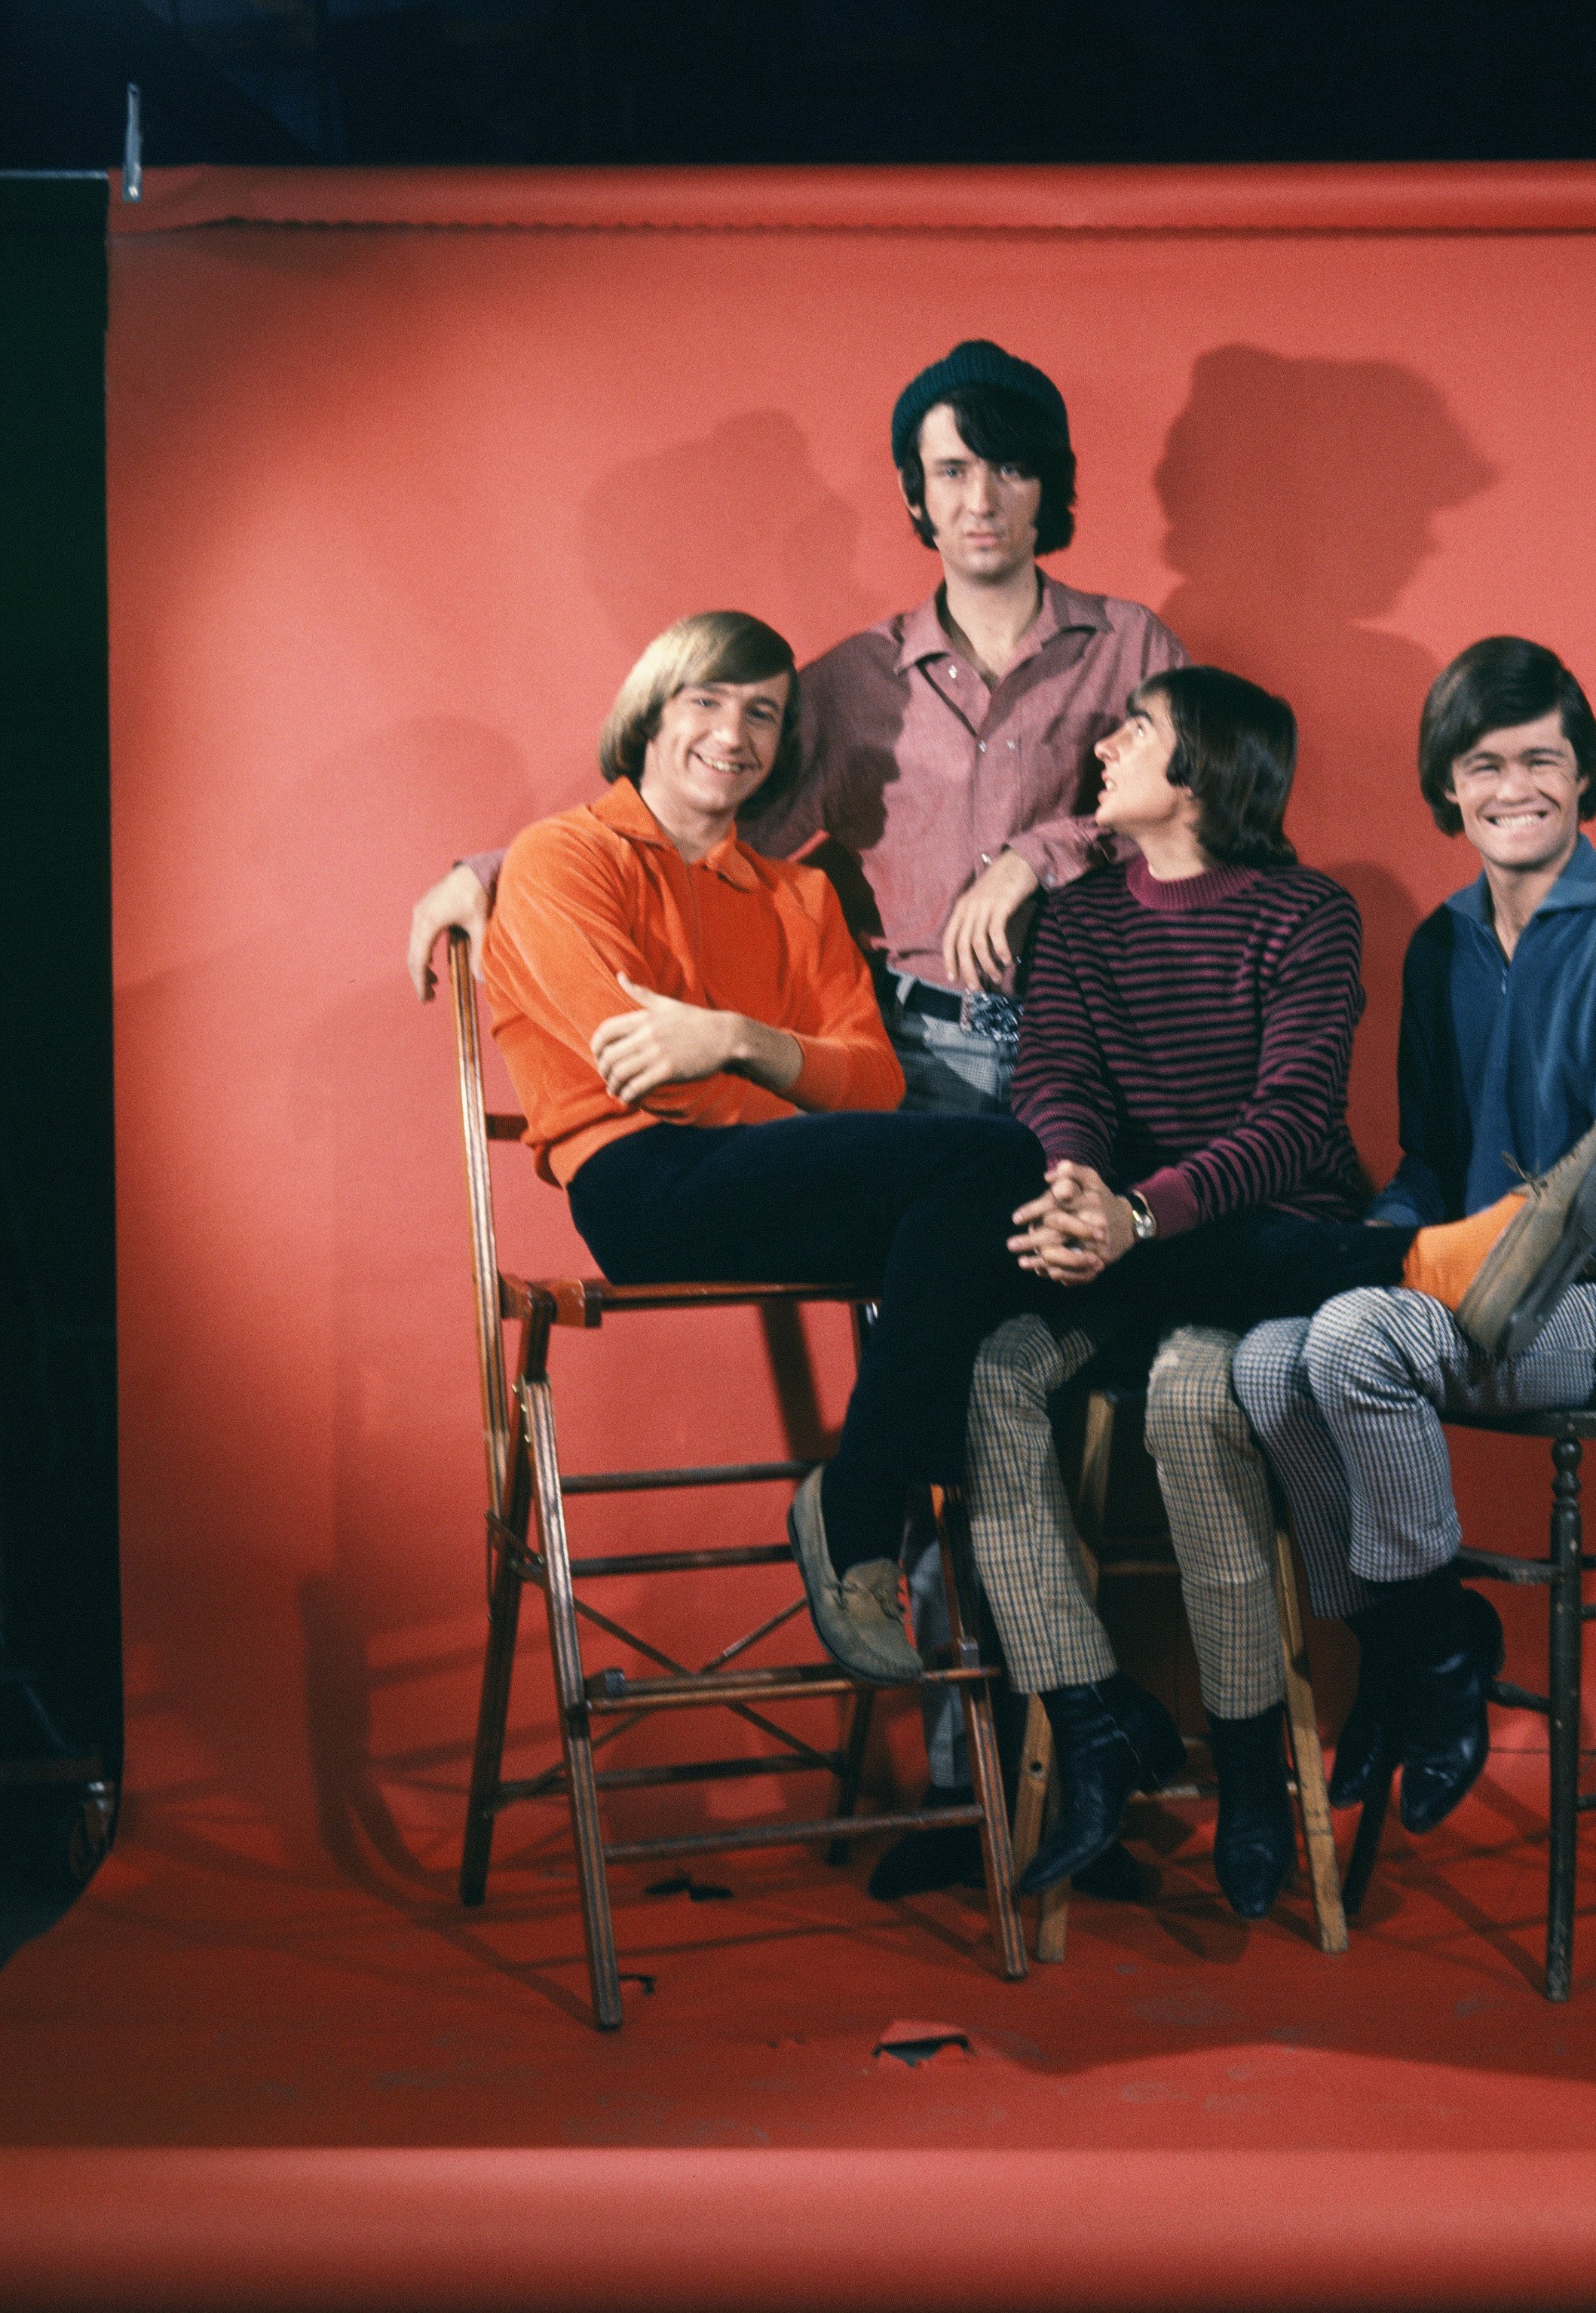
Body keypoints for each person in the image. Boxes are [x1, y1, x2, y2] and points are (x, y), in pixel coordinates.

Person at [409, 340, 1187, 1895]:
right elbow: (674, 823)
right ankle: (985, 1773)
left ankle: (1042, 1759)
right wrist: (489, 876)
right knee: (970, 1346)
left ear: (1051, 484)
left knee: (1041, 1385)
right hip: (866, 1103)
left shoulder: (1130, 643)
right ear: (913, 491)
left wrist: (1032, 854)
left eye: (1007, 463)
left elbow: (1181, 800)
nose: (979, 496)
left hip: (1080, 1057)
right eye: (949, 468)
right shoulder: (841, 684)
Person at [966, 664, 1596, 1920]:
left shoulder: (1305, 915)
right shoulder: (1077, 923)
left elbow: (1288, 1129)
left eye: (1137, 730)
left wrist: (1136, 1214)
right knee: (993, 1372)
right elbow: (1053, 1080)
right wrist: (1073, 1185)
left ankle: (1251, 1769)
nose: (1104, 745)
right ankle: (1092, 1712)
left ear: (1206, 770)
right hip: (1118, 1231)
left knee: (1186, 1396)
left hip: (1250, 1230)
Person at [478, 609, 1051, 1694]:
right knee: (987, 1167)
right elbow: (638, 1070)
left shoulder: (801, 895)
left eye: (764, 714)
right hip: (643, 1187)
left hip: (761, 1183)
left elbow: (875, 1084)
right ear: (650, 712)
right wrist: (790, 1075)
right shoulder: (565, 857)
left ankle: (875, 1518)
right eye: (706, 701)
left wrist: (735, 1039)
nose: (734, 734)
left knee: (984, 1199)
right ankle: (863, 1516)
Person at [1232, 636, 1596, 1843]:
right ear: (1446, 790)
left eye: (1542, 760)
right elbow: (1425, 1166)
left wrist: (1419, 1272)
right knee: (1265, 1357)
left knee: (1357, 1336)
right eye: (1484, 766)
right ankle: (1412, 1639)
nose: (1515, 789)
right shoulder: (1442, 948)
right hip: (1479, 1292)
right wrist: (1385, 1242)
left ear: (1585, 773)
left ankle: (1441, 1659)